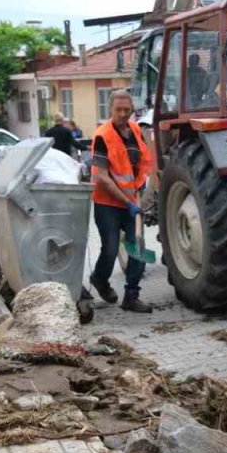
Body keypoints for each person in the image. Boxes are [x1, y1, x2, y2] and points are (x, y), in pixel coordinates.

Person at [88, 90, 154, 313]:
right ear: (110, 109)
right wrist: (127, 202)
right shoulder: (102, 136)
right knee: (110, 248)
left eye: (127, 110)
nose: (123, 114)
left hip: (131, 201)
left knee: (137, 249)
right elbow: (103, 177)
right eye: (119, 110)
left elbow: (140, 165)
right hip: (107, 204)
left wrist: (140, 194)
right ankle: (100, 279)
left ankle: (131, 296)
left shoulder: (135, 130)